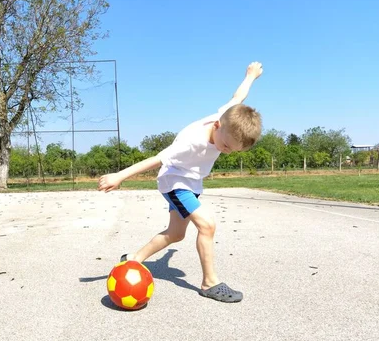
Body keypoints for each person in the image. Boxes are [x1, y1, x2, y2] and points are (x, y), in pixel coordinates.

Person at [97, 62, 264, 303]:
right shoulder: (191, 141)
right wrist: (119, 176)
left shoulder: (229, 118)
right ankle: (210, 283)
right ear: (218, 126)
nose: (226, 152)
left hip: (191, 183)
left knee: (175, 234)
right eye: (225, 146)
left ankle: (133, 258)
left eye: (232, 151)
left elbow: (238, 96)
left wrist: (250, 76)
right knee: (207, 226)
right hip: (175, 182)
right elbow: (156, 159)